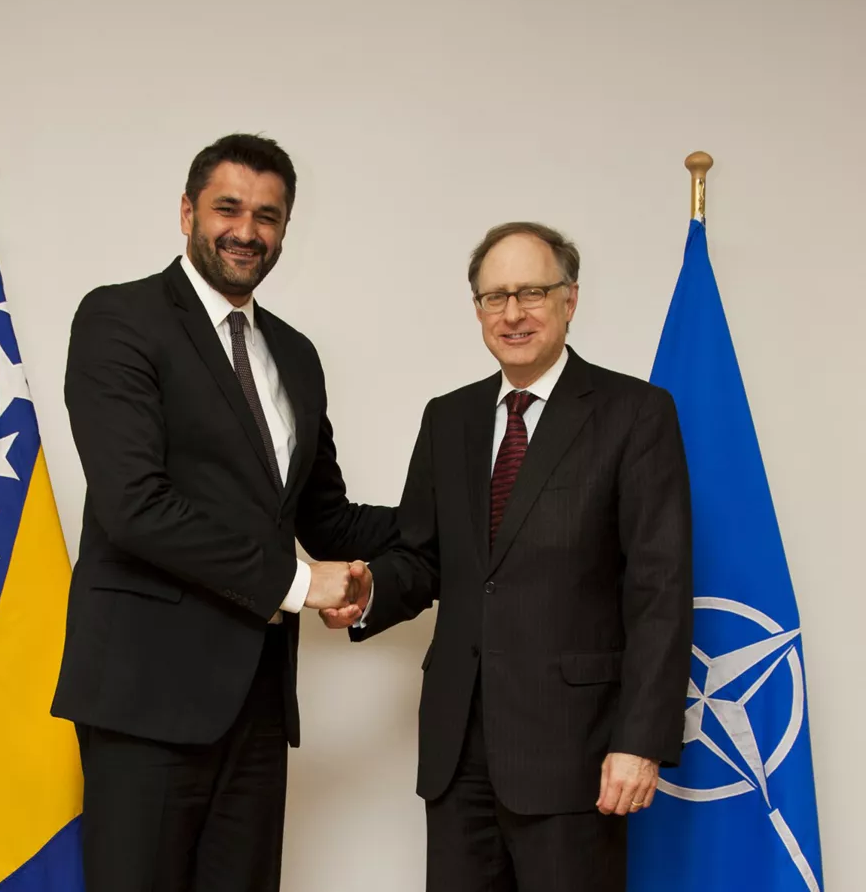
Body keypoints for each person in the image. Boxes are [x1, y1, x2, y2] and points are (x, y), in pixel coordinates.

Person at [52, 133, 397, 892]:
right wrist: (299, 584)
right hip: (144, 697)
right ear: (187, 212)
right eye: (228, 208)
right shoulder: (119, 318)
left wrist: (465, 510)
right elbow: (135, 506)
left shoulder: (295, 355)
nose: (247, 230)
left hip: (258, 703)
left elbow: (327, 519)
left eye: (267, 216)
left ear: (285, 230)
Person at [323, 222, 693, 892]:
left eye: (531, 292)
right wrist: (370, 591)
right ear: (477, 310)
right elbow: (425, 556)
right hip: (458, 751)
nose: (512, 312)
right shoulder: (448, 418)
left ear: (570, 298)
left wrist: (640, 741)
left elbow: (660, 591)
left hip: (578, 752)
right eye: (495, 296)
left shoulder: (636, 413)